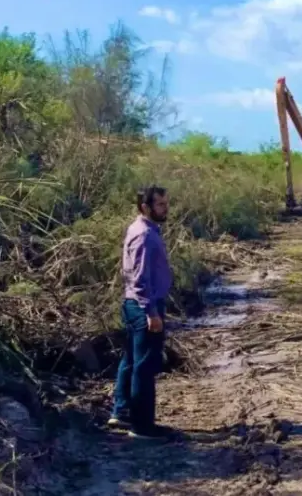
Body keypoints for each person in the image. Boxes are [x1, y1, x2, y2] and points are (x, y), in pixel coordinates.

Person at [108, 185, 173, 439]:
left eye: (166, 203)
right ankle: (142, 426)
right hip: (144, 306)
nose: (165, 208)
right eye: (160, 204)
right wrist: (151, 312)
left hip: (135, 305)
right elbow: (138, 279)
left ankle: (122, 413)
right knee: (144, 367)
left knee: (132, 361)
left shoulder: (142, 230)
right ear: (145, 207)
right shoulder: (144, 235)